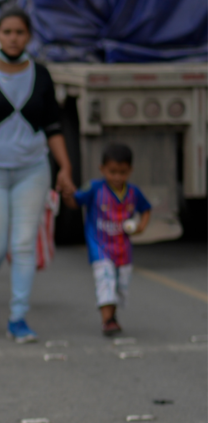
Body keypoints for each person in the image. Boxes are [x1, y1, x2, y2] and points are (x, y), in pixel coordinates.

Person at [0, 8, 77, 344]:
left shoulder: (42, 74)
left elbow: (52, 125)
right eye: (6, 31)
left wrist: (64, 167)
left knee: (23, 245)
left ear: (29, 36)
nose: (13, 38)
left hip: (32, 169)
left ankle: (18, 317)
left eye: (19, 32)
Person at [67, 144, 151, 337]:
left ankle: (112, 318)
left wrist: (141, 227)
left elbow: (146, 209)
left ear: (130, 171)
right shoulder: (95, 189)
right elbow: (75, 202)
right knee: (105, 280)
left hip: (123, 250)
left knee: (120, 287)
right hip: (100, 247)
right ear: (102, 169)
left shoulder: (133, 193)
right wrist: (67, 194)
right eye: (112, 172)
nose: (117, 177)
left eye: (122, 173)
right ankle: (107, 321)